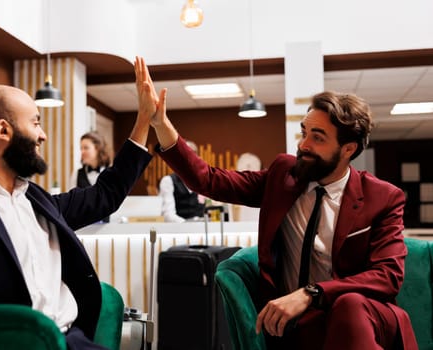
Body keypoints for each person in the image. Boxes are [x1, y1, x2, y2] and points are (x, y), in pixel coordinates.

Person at [134, 57, 418, 349]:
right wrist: (161, 124)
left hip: (361, 320)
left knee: (349, 306)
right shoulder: (285, 175)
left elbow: (387, 277)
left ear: (348, 149)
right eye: (304, 132)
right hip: (301, 324)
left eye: (317, 138)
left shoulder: (383, 197)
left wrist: (311, 293)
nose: (303, 144)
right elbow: (210, 180)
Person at [0, 81, 154, 350]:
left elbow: (105, 195)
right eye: (36, 123)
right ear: (3, 130)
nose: (43, 135)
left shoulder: (36, 199)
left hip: (74, 340)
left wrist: (143, 121)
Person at [69, 131, 112, 222]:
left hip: (107, 227)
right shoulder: (76, 173)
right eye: (81, 148)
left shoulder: (110, 173)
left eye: (86, 148)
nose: (82, 152)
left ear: (98, 149)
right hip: (83, 226)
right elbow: (72, 203)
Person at [158, 140, 205, 222]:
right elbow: (168, 214)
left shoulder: (202, 180)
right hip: (177, 230)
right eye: (186, 155)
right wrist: (186, 225)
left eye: (194, 154)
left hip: (201, 229)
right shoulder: (168, 181)